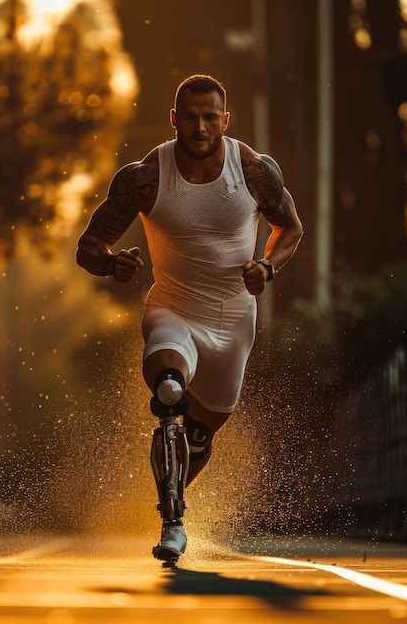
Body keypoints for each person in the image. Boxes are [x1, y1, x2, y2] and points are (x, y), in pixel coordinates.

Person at [76, 74, 303, 564]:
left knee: (200, 434)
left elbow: (290, 228)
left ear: (225, 120)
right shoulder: (144, 177)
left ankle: (173, 492)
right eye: (190, 118)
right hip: (172, 308)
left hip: (234, 319)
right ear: (174, 119)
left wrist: (266, 265)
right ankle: (173, 523)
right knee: (169, 387)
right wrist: (111, 264)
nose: (200, 127)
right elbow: (89, 245)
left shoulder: (256, 172)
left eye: (210, 118)